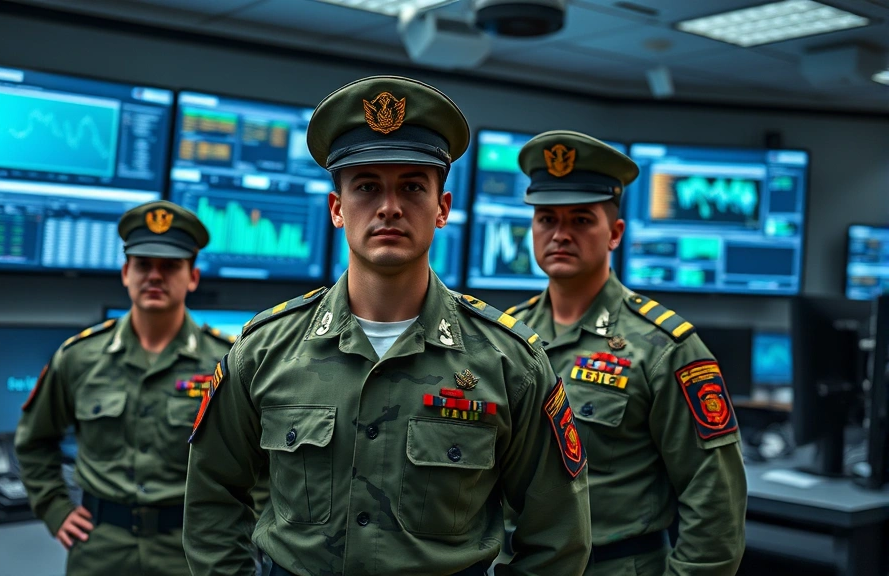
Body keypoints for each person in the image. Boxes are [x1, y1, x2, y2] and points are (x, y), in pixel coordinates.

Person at [182, 76, 592, 576]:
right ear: (337, 208)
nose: (390, 207)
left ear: (442, 208)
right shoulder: (265, 351)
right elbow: (211, 496)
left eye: (413, 186)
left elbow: (557, 537)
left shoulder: (509, 362)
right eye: (367, 186)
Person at [504, 130, 747, 575]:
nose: (560, 234)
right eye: (546, 219)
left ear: (614, 233)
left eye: (581, 220)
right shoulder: (509, 337)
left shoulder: (665, 347)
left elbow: (714, 496)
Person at [15, 200, 236, 576]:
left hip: (190, 551)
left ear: (193, 277)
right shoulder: (79, 357)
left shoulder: (226, 362)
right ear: (125, 272)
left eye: (170, 266)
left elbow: (259, 464)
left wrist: (243, 534)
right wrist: (56, 509)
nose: (155, 276)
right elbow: (34, 442)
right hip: (100, 549)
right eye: (143, 264)